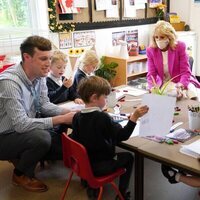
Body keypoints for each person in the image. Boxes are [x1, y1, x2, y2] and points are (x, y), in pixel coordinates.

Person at [0, 35, 76, 192]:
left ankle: (26, 156)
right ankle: (20, 174)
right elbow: (21, 124)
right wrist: (61, 118)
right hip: (4, 135)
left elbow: (43, 104)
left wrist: (68, 113)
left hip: (23, 128)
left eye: (50, 58)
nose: (48, 64)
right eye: (43, 59)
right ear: (27, 57)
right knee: (41, 138)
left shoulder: (40, 75)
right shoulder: (9, 82)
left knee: (59, 141)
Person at [70, 76, 149, 200]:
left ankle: (90, 184)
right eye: (105, 97)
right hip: (101, 166)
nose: (107, 100)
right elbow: (123, 135)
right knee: (128, 157)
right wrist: (134, 117)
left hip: (83, 165)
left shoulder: (77, 117)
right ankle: (122, 193)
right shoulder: (103, 118)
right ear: (94, 97)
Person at [146, 20, 200, 99]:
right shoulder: (151, 50)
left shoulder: (180, 46)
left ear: (169, 37)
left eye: (162, 37)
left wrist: (181, 85)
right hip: (164, 83)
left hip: (181, 81)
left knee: (193, 96)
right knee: (170, 97)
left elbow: (185, 72)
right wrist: (152, 87)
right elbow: (151, 74)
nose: (158, 40)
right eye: (156, 37)